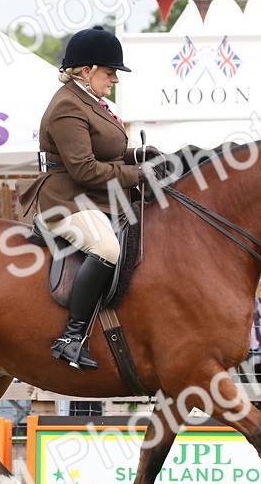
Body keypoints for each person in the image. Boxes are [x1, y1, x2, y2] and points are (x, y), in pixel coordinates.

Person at [19, 25, 164, 371]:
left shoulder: (90, 102)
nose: (114, 79)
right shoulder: (68, 108)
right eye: (110, 72)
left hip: (93, 198)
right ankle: (71, 337)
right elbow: (84, 169)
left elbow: (106, 152)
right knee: (106, 248)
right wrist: (137, 175)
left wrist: (137, 155)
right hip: (65, 201)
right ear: (86, 71)